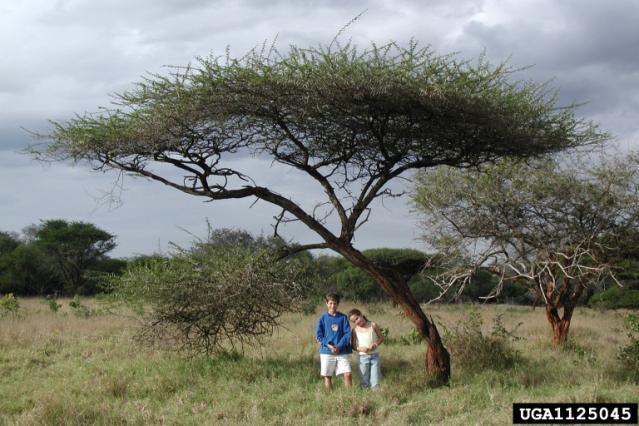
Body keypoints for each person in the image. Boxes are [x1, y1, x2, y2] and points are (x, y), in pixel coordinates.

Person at [315, 293, 352, 390]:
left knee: (347, 373)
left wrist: (338, 346)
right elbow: (319, 336)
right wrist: (330, 346)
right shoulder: (322, 318)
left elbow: (347, 334)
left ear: (338, 304)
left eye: (335, 303)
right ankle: (330, 397)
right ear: (326, 303)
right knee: (328, 376)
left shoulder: (343, 317)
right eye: (330, 303)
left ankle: (350, 396)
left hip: (341, 350)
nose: (333, 306)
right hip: (327, 351)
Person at [348, 308, 384, 389]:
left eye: (357, 318)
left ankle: (376, 395)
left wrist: (375, 344)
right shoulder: (354, 330)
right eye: (354, 321)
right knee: (364, 380)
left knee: (375, 380)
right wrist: (360, 349)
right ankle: (365, 397)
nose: (357, 322)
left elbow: (381, 338)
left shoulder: (373, 325)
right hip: (362, 358)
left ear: (361, 314)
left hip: (374, 356)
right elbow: (353, 345)